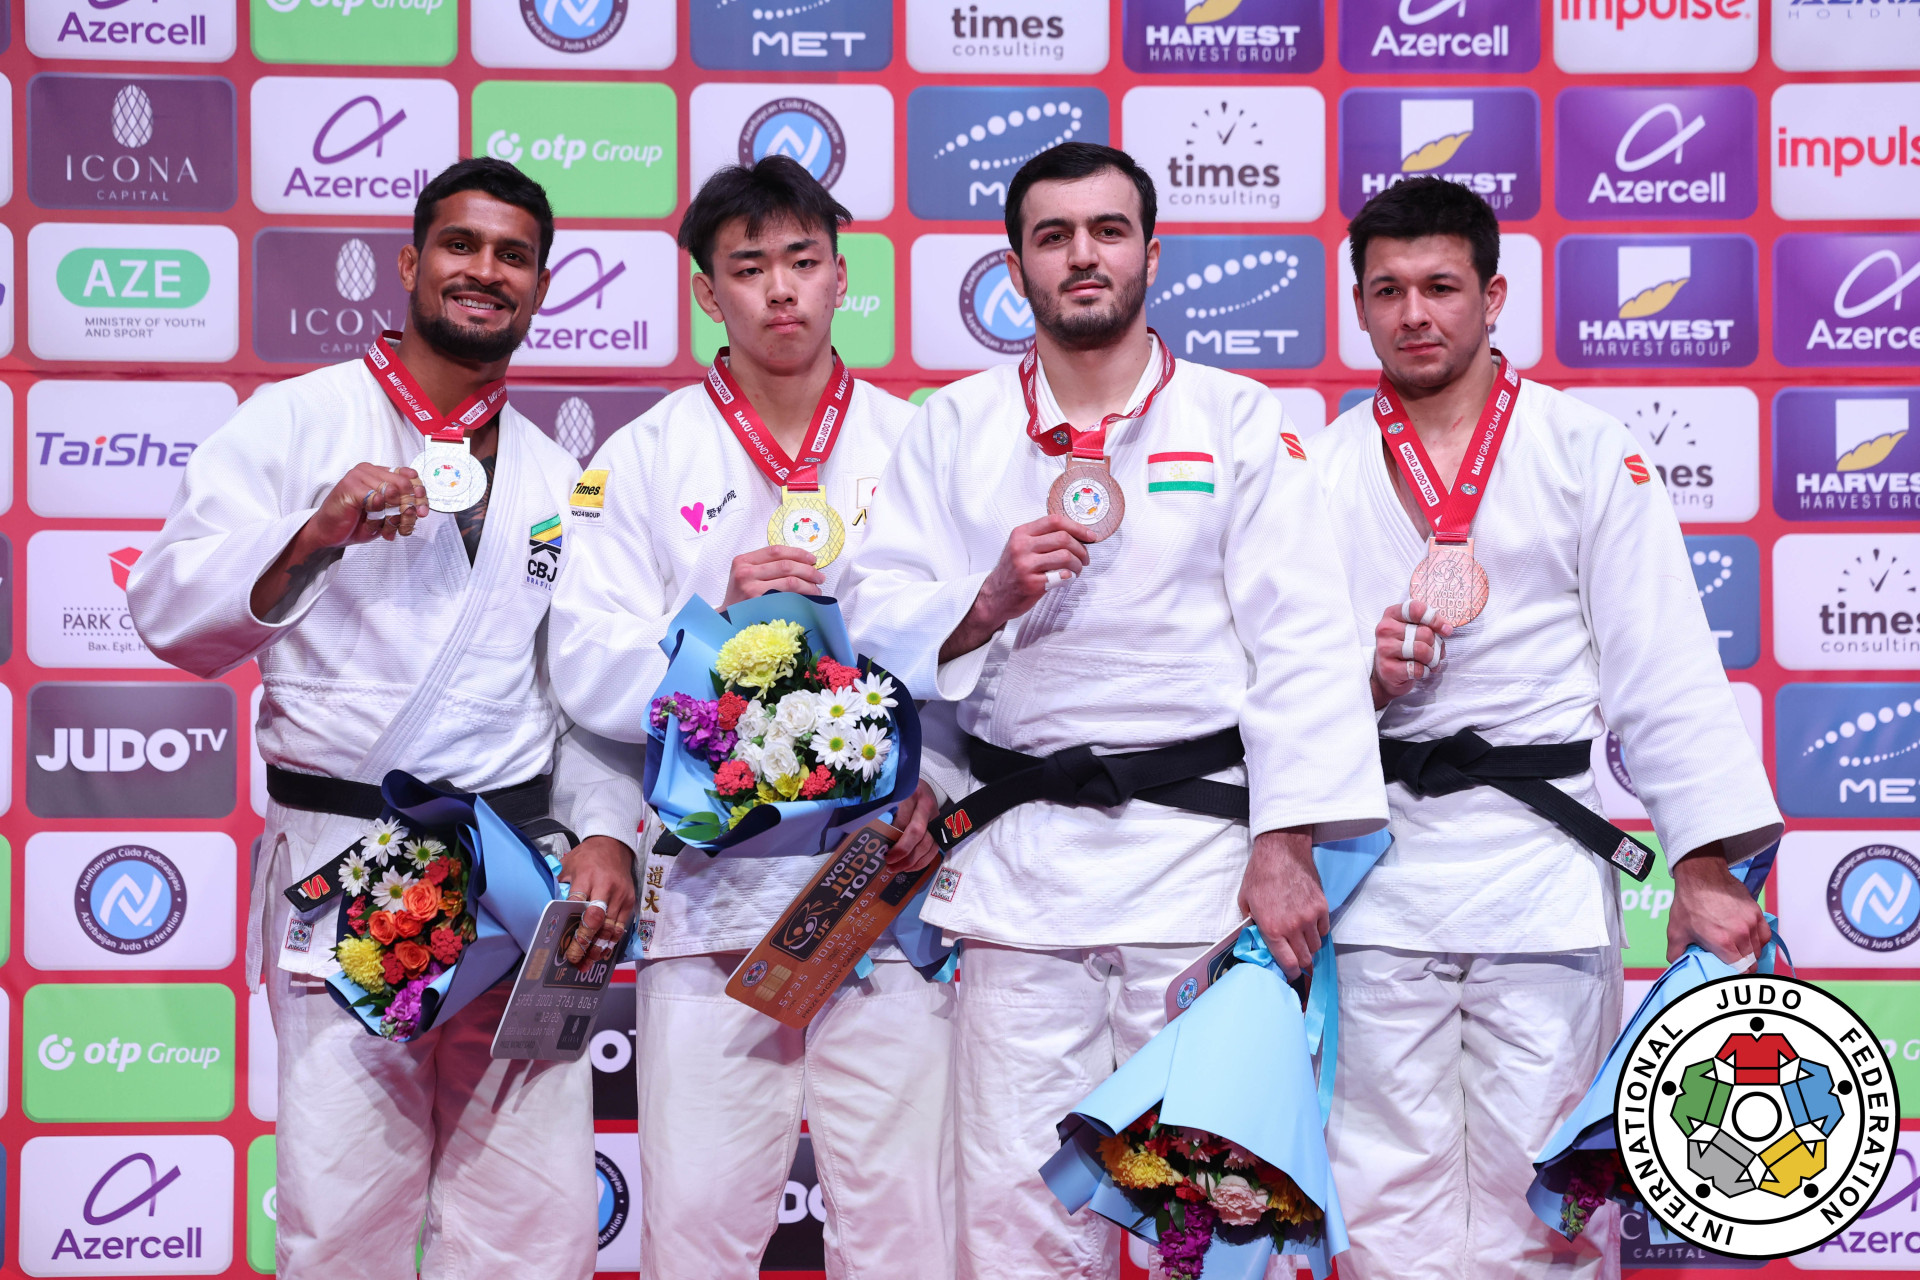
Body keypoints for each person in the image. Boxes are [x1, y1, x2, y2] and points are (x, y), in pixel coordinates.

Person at [839, 141, 1388, 1280]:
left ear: (1150, 249)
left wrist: (1285, 841)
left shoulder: (1238, 418)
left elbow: (1302, 641)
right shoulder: (952, 425)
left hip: (1194, 868)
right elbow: (876, 611)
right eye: (1054, 236)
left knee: (1222, 1211)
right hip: (1020, 874)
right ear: (1015, 265)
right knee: (1014, 1210)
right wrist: (981, 600)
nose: (1082, 255)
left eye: (1106, 230)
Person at [127, 158, 640, 1280]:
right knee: (342, 1215)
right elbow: (166, 610)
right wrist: (310, 535)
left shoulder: (563, 478)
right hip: (347, 863)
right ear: (412, 263)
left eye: (512, 255)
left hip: (519, 876)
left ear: (541, 286)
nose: (484, 272)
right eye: (461, 245)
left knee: (535, 1223)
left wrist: (606, 827)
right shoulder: (297, 420)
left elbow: (583, 699)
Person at [1309, 176, 1783, 1279]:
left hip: (1541, 871)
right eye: (1388, 290)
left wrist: (1706, 863)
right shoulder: (1318, 468)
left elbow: (1664, 663)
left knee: (1551, 1205)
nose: (1414, 312)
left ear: (1493, 296)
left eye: (1440, 286)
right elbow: (1279, 684)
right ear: (1359, 306)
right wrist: (1359, 680)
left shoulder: (1583, 449)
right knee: (1381, 1205)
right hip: (1379, 873)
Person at [546, 156, 953, 1280]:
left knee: (909, 1231)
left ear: (840, 276)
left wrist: (941, 794)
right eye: (749, 267)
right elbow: (584, 671)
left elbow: (966, 659)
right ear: (704, 292)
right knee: (699, 1234)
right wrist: (716, 630)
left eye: (803, 262)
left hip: (885, 899)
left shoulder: (920, 443)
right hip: (713, 907)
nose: (780, 289)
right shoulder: (642, 456)